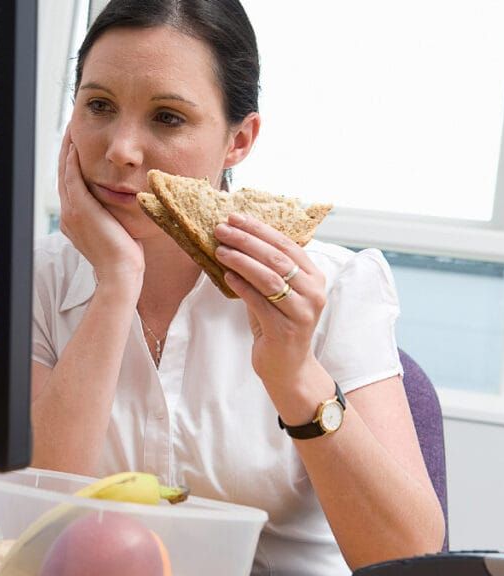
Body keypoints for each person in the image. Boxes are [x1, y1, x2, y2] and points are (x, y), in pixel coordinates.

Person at [29, 1, 446, 574]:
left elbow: (410, 559)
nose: (121, 148)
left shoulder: (338, 287)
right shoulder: (37, 283)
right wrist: (114, 283)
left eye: (168, 117)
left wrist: (295, 376)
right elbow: (33, 528)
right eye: (98, 106)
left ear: (239, 140)